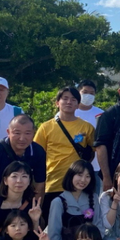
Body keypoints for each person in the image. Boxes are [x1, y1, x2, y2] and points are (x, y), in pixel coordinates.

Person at [35, 86, 95, 224]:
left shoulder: (87, 127)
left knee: (77, 226)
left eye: (73, 99)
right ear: (57, 102)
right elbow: (38, 155)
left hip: (78, 186)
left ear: (78, 104)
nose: (69, 102)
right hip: (52, 183)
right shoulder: (45, 127)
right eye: (65, 98)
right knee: (50, 225)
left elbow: (92, 152)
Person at [47, 159, 101, 240]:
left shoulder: (93, 198)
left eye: (88, 176)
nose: (83, 180)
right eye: (80, 175)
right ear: (71, 175)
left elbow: (98, 226)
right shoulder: (58, 202)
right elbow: (54, 235)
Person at [75, 79, 105, 180]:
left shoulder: (101, 114)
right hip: (73, 164)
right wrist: (79, 137)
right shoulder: (70, 112)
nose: (88, 95)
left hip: (96, 166)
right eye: (85, 92)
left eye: (91, 93)